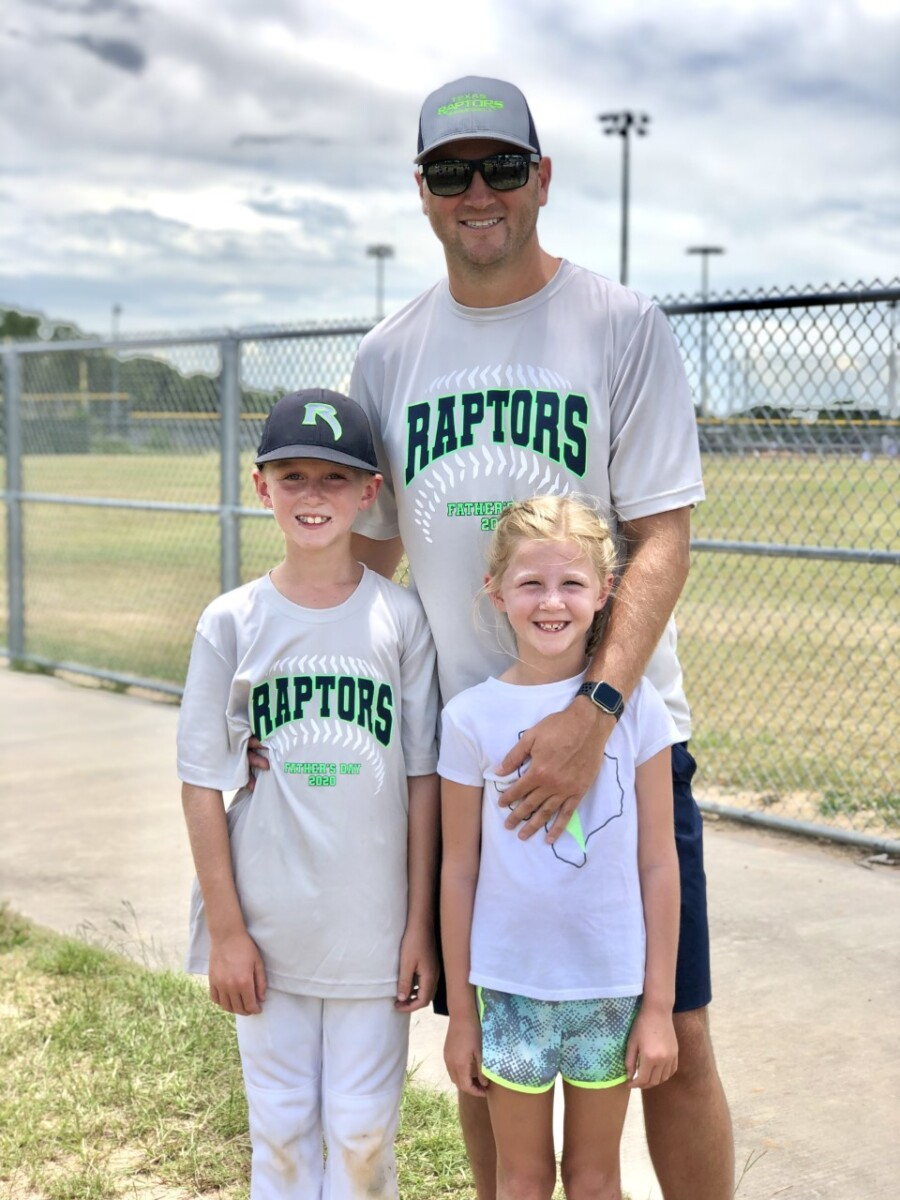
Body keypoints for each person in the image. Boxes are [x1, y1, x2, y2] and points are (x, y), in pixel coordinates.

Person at [346, 76, 735, 1200]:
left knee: (675, 1040)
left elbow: (662, 539)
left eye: (501, 167)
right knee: (488, 1062)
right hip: (472, 763)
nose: (479, 193)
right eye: (451, 172)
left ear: (542, 179)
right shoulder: (390, 355)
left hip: (618, 744)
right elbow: (368, 568)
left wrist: (594, 713)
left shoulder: (620, 324)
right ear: (421, 193)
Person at [177, 388, 440, 1200]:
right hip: (268, 926)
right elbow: (199, 781)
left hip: (373, 929)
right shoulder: (232, 621)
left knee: (364, 1134)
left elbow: (425, 780)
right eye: (294, 476)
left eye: (336, 477)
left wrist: (419, 926)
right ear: (263, 487)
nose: (314, 495)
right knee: (282, 1128)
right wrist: (226, 932)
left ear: (370, 493)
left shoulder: (399, 618)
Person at [440, 495, 681, 1200]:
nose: (552, 602)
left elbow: (659, 863)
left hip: (607, 989)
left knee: (594, 1177)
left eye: (573, 583)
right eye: (531, 583)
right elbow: (458, 870)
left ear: (605, 592)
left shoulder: (639, 710)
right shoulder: (471, 718)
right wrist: (462, 1017)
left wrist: (660, 1009)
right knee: (519, 1178)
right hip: (510, 990)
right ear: (497, 592)